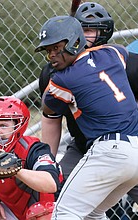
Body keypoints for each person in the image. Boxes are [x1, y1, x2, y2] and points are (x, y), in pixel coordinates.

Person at [39, 3, 138, 218]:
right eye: (49, 51)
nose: (52, 56)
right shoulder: (114, 52)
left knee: (64, 213)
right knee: (93, 213)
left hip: (108, 151)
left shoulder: (61, 80)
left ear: (76, 42)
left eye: (57, 48)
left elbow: (49, 113)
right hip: (134, 151)